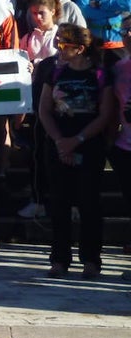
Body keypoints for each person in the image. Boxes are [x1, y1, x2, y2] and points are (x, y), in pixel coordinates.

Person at [37, 22, 115, 278]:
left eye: (63, 44)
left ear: (80, 49)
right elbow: (44, 110)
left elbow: (105, 115)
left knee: (89, 203)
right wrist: (60, 141)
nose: (58, 48)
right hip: (58, 145)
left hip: (89, 145)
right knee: (59, 203)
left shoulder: (101, 74)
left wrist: (78, 139)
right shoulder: (54, 71)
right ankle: (59, 258)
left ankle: (91, 259)